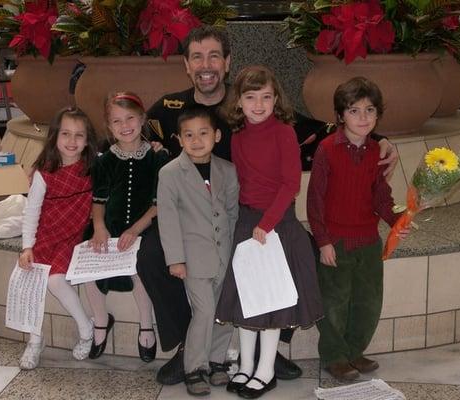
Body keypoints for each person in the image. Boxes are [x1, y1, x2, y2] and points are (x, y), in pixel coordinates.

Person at [143, 25, 399, 385]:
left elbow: (321, 128)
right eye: (197, 57)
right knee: (151, 255)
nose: (206, 64)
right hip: (193, 219)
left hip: (241, 217)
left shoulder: (247, 108)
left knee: (302, 254)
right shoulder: (170, 107)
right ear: (186, 64)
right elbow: (130, 134)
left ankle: (271, 343)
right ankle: (188, 346)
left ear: (227, 63)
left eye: (214, 55)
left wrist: (381, 140)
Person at [215, 65, 323, 399]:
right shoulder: (239, 135)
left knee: (271, 300)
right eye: (251, 98)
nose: (258, 105)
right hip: (246, 223)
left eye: (265, 97)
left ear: (276, 99)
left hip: (275, 225)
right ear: (240, 102)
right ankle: (246, 364)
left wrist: (267, 223)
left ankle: (266, 369)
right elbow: (240, 182)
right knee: (248, 298)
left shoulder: (283, 133)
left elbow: (290, 183)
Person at [307, 77, 410, 381]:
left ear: (378, 114)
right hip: (336, 242)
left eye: (369, 110)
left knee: (368, 302)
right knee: (334, 304)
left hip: (368, 242)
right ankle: (334, 356)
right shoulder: (327, 150)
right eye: (354, 111)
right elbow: (315, 201)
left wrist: (397, 221)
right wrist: (323, 241)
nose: (363, 117)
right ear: (340, 116)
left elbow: (381, 195)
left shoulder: (376, 150)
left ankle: (353, 351)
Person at [85, 91, 190, 362]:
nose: (125, 126)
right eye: (117, 121)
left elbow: (159, 203)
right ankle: (99, 321)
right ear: (109, 126)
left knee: (140, 265)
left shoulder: (157, 157)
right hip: (110, 226)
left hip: (145, 226)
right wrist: (99, 227)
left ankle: (146, 324)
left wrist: (135, 230)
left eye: (130, 118)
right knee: (91, 264)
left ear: (142, 119)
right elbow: (99, 199)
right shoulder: (104, 161)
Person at [157, 106, 239, 396]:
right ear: (179, 139)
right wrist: (175, 259)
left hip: (225, 255)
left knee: (222, 312)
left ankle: (217, 362)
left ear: (216, 135)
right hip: (192, 260)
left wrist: (236, 253)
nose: (196, 140)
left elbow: (232, 213)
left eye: (203, 133)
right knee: (203, 311)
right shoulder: (170, 174)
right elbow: (167, 219)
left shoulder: (227, 170)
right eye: (188, 135)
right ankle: (193, 366)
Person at [18, 107, 98, 370]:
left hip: (74, 237)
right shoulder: (44, 172)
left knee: (54, 279)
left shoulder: (94, 167)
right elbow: (32, 211)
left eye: (79, 135)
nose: (72, 141)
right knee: (32, 281)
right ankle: (35, 340)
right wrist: (27, 246)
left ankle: (86, 329)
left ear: (88, 140)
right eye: (65, 134)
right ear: (54, 137)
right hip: (47, 235)